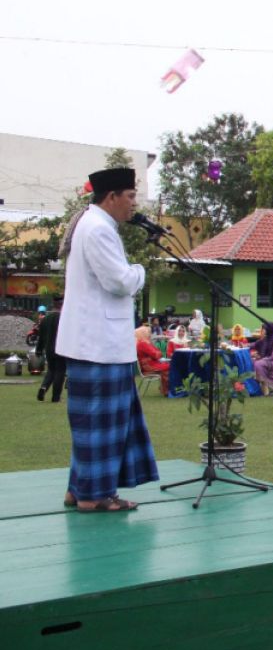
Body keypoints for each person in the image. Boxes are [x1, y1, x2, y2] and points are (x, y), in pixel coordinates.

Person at [56, 166, 158, 512]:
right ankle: (95, 495)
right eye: (129, 197)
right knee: (102, 424)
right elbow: (119, 281)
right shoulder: (99, 229)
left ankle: (79, 488)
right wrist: (140, 272)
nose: (133, 204)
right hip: (99, 344)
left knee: (92, 421)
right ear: (111, 196)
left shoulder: (91, 223)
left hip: (93, 342)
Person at [35, 303, 65, 402]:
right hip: (60, 348)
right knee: (60, 372)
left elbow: (41, 337)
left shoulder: (45, 319)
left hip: (48, 349)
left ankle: (43, 387)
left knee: (51, 370)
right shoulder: (64, 318)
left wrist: (38, 350)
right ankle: (56, 397)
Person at [248, 321, 273, 394]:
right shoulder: (265, 339)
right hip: (268, 360)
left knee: (259, 363)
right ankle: (255, 386)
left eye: (265, 329)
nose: (264, 330)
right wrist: (245, 345)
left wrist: (263, 359)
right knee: (251, 361)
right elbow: (254, 344)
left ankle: (267, 386)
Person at [134, 325, 172, 396]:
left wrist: (158, 354)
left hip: (152, 363)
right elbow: (156, 354)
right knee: (168, 367)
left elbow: (157, 352)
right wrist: (158, 354)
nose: (150, 334)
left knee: (168, 366)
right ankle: (166, 390)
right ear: (143, 334)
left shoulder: (146, 343)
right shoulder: (142, 344)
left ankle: (166, 389)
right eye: (148, 332)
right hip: (148, 366)